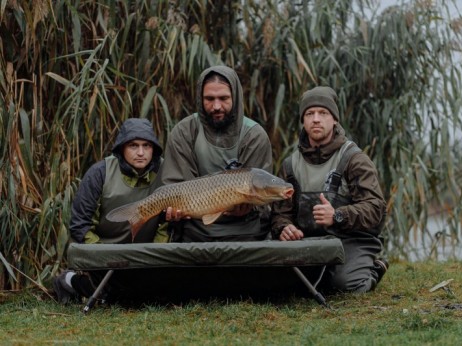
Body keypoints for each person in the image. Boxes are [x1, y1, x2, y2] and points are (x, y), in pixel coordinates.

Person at [271, 86, 388, 293]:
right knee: (284, 286)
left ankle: (374, 269)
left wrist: (338, 215)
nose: (316, 119)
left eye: (323, 113)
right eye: (309, 114)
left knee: (347, 285)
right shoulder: (290, 165)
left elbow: (376, 208)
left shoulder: (354, 159)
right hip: (309, 241)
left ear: (334, 120)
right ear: (303, 121)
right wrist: (284, 228)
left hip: (351, 239)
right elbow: (280, 213)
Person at [53, 118, 167, 303]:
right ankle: (68, 280)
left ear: (154, 148)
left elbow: (167, 223)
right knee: (115, 295)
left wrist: (155, 255)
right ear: (122, 148)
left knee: (151, 294)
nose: (141, 153)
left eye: (146, 146)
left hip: (146, 255)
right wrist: (105, 256)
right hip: (105, 254)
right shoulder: (100, 173)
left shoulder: (165, 170)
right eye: (133, 146)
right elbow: (80, 224)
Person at [159, 65, 273, 242]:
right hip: (197, 227)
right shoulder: (184, 131)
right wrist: (173, 210)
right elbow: (177, 188)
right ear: (200, 98)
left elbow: (263, 196)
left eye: (224, 98)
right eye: (209, 99)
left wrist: (250, 207)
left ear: (235, 97)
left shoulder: (254, 135)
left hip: (244, 228)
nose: (216, 106)